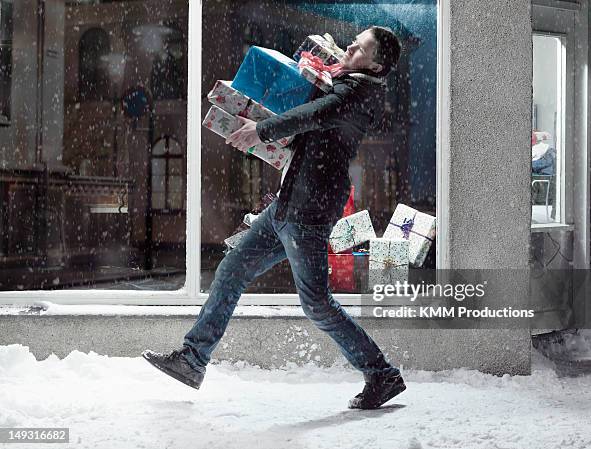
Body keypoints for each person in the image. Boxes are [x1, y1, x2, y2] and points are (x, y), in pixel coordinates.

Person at [143, 26, 405, 410]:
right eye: (355, 40)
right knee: (232, 270)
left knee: (316, 304)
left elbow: (314, 113)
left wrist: (259, 131)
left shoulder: (359, 93)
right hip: (287, 206)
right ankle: (192, 360)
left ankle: (381, 374)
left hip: (309, 212)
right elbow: (308, 104)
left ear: (378, 64)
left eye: (361, 47)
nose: (351, 46)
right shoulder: (344, 83)